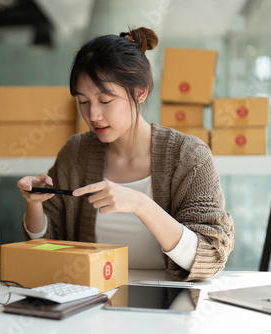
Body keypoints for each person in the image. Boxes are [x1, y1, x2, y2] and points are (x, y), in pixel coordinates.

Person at [17, 27, 234, 281]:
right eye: (83, 102)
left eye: (106, 100)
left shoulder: (189, 156)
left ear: (140, 92)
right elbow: (47, 248)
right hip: (91, 303)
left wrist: (140, 204)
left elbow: (210, 254)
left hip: (169, 306)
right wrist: (34, 206)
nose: (93, 115)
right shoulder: (75, 154)